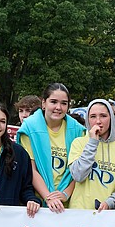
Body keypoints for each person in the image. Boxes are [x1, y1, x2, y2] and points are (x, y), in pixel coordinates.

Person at [16, 83, 84, 211]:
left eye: (64, 103)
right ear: (43, 103)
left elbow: (81, 171)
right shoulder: (29, 129)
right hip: (38, 205)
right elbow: (31, 169)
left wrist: (66, 194)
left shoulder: (79, 131)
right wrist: (49, 197)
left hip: (70, 204)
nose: (58, 107)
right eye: (53, 102)